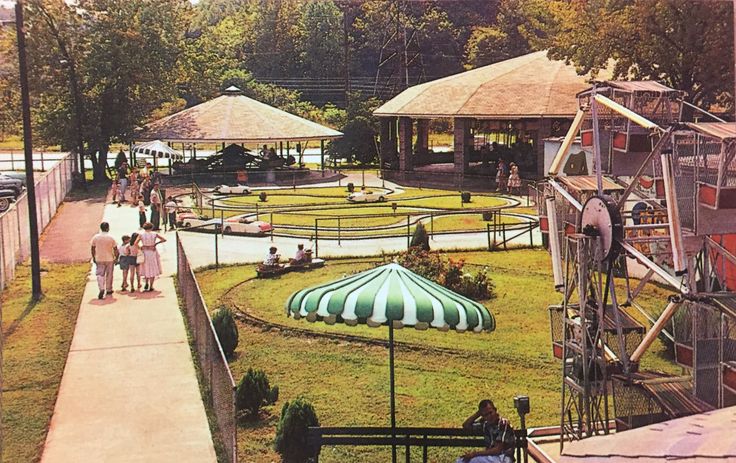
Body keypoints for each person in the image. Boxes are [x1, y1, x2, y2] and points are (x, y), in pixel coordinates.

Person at [134, 222, 166, 291]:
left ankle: (146, 282)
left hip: (145, 251)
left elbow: (135, 243)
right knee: (153, 268)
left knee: (146, 267)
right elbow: (164, 239)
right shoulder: (154, 234)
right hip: (152, 252)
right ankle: (151, 286)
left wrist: (141, 247)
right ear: (151, 228)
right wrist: (155, 244)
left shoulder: (141, 235)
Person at [90, 222, 119, 299]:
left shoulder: (96, 237)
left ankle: (101, 288)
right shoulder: (111, 237)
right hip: (109, 258)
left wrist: (94, 257)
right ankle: (109, 289)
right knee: (109, 275)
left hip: (99, 258)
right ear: (107, 228)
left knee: (100, 274)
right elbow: (115, 249)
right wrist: (116, 258)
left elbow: (92, 248)